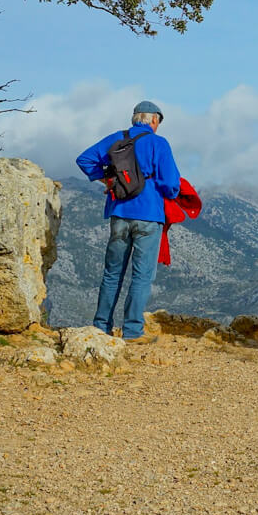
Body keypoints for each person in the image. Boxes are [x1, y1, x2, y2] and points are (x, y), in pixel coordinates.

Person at [75, 100, 182, 341]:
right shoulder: (158, 143)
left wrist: (108, 181)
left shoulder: (116, 138)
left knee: (112, 274)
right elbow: (172, 185)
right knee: (142, 276)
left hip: (119, 213)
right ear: (154, 120)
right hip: (148, 216)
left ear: (135, 119)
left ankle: (101, 327)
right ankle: (133, 332)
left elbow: (84, 160)